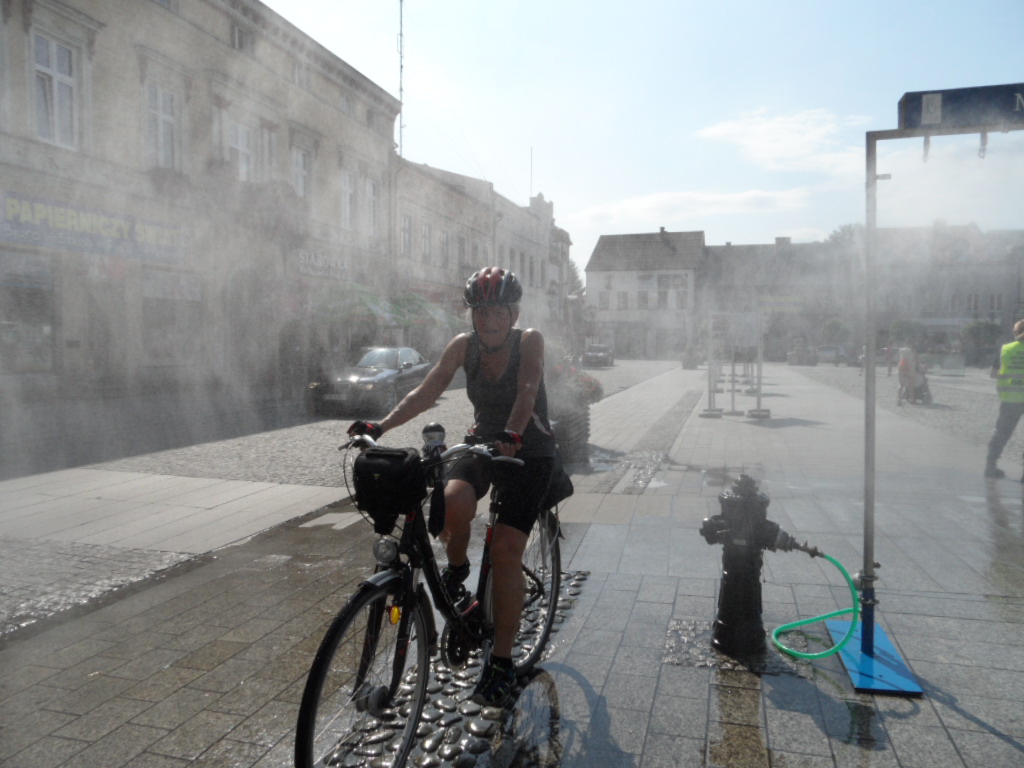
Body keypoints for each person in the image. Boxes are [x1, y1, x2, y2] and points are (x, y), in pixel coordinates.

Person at [348, 267, 557, 707]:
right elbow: (426, 392)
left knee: (505, 551)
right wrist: (379, 427)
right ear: (472, 315)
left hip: (529, 451)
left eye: (498, 311)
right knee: (451, 501)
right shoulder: (464, 346)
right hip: (482, 443)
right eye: (481, 312)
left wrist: (514, 432)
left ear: (514, 313)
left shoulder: (529, 340)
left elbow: (528, 389)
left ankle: (501, 661)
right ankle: (458, 572)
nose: (489, 320)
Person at [985, 319, 1024, 479]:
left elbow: (993, 374)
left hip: (1011, 398)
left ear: (1015, 332)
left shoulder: (1006, 349)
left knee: (1002, 433)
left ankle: (990, 467)